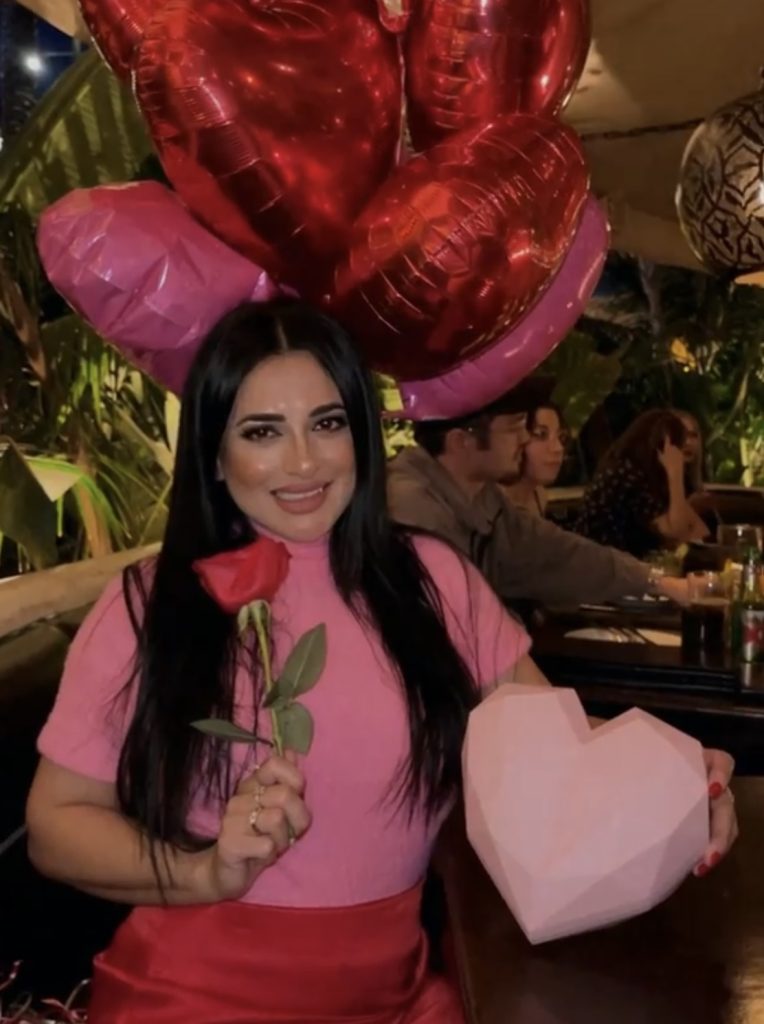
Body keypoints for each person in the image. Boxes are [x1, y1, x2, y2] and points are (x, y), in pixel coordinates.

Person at [26, 300, 736, 1023]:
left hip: (395, 999)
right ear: (214, 451)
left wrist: (677, 782)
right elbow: (55, 824)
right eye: (262, 431)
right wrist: (204, 870)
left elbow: (561, 751)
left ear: (362, 433)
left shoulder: (433, 581)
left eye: (327, 423)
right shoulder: (150, 604)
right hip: (197, 999)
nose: (304, 461)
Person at [387, 384, 689, 609]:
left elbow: (558, 553)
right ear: (461, 441)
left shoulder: (484, 499)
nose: (524, 438)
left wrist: (656, 581)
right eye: (514, 428)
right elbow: (448, 622)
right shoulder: (411, 507)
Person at [575, 410, 710, 559]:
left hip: (624, 569)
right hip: (603, 570)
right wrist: (675, 474)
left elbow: (699, 533)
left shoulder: (648, 477)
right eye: (678, 440)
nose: (685, 445)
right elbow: (676, 533)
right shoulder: (626, 474)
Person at [501, 392, 568, 516]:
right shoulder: (492, 502)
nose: (558, 448)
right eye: (541, 434)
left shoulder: (539, 495)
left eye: (561, 437)